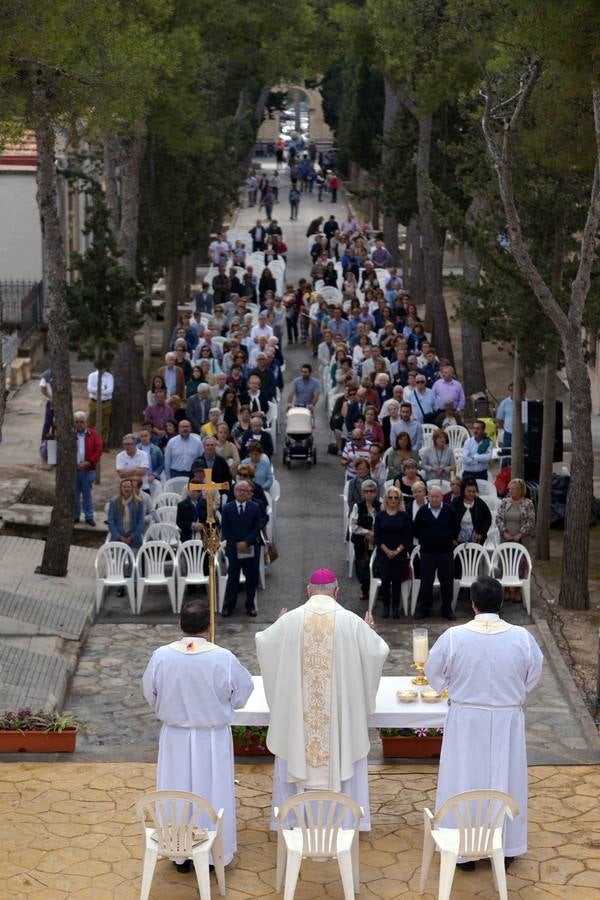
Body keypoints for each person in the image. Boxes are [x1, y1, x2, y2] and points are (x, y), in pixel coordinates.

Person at [255, 568, 388, 831]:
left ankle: (293, 821)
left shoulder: (291, 621)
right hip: (337, 725)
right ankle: (346, 822)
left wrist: (279, 626)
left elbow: (264, 643)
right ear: (337, 592)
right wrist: (369, 631)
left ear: (308, 590)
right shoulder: (351, 622)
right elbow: (378, 652)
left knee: (296, 747)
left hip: (299, 725)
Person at [425, 576, 543, 869]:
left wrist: (452, 687)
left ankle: (463, 849)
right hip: (507, 720)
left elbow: (434, 675)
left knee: (464, 778)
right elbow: (532, 677)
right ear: (501, 602)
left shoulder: (454, 637)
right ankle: (506, 846)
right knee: (506, 780)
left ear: (473, 604)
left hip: (466, 720)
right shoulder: (522, 637)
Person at [143, 602, 254, 870]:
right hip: (211, 740)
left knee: (177, 791)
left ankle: (179, 853)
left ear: (181, 625)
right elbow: (242, 694)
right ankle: (215, 854)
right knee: (212, 792)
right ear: (209, 627)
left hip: (175, 739)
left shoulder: (161, 656)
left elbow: (150, 693)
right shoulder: (223, 658)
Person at [413, 485, 459, 620]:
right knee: (426, 582)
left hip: (445, 552)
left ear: (442, 497)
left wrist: (448, 537)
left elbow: (456, 527)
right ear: (428, 497)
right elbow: (415, 529)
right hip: (427, 553)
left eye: (437, 496)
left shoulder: (449, 510)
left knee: (447, 582)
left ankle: (447, 608)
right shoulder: (422, 511)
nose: (434, 499)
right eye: (431, 496)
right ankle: (424, 608)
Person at [220, 481, 263, 617]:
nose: (242, 492)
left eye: (245, 490)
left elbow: (257, 528)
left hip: (250, 548)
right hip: (234, 549)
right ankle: (228, 606)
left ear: (249, 492)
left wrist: (247, 542)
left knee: (251, 578)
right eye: (239, 490)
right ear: (234, 491)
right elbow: (225, 529)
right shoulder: (227, 508)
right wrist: (237, 543)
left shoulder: (255, 507)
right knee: (233, 578)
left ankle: (250, 605)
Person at [374, 485, 412, 618]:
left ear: (400, 499)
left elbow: (408, 537)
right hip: (383, 553)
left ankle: (395, 607)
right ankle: (386, 607)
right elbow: (377, 537)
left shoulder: (404, 516)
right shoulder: (380, 516)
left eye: (396, 497)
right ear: (386, 499)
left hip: (399, 553)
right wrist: (387, 551)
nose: (393, 500)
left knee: (396, 580)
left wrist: (396, 551)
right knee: (385, 580)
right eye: (390, 497)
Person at [350, 479, 380, 601]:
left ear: (376, 492)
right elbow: (353, 526)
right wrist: (367, 533)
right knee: (362, 567)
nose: (369, 494)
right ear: (363, 493)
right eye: (366, 491)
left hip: (377, 542)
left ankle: (379, 590)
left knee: (377, 566)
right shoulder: (358, 506)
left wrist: (376, 535)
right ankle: (365, 589)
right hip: (361, 543)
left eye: (372, 491)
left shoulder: (381, 506)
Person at [73, 411, 103, 526]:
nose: (79, 424)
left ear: (86, 422)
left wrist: (89, 462)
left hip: (87, 469)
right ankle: (75, 516)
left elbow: (98, 449)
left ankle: (89, 517)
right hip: (74, 470)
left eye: (82, 422)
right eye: (77, 422)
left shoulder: (93, 434)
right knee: (75, 495)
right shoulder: (70, 434)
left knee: (87, 495)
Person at [496, 478, 536, 550]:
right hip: (505, 539)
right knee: (505, 560)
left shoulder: (528, 503)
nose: (510, 491)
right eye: (509, 489)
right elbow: (498, 518)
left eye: (513, 489)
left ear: (520, 490)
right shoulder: (505, 501)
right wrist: (504, 532)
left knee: (520, 560)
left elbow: (531, 521)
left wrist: (520, 534)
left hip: (522, 540)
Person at [107, 478, 145, 551]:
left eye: (128, 487)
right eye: (124, 487)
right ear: (120, 488)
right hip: (117, 539)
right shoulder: (114, 502)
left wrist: (132, 537)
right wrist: (120, 537)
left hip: (134, 540)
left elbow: (141, 522)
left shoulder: (139, 502)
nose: (126, 489)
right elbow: (111, 521)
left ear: (132, 488)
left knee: (133, 561)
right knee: (118, 561)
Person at [452, 477, 492, 545]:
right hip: (457, 539)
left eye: (474, 491)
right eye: (469, 491)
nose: (471, 494)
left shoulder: (480, 503)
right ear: (463, 490)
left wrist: (481, 533)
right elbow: (450, 520)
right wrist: (452, 537)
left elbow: (488, 518)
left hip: (476, 539)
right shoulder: (456, 502)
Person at [86, 368, 113, 443]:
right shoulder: (92, 375)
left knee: (105, 424)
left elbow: (110, 390)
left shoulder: (109, 376)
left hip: (106, 403)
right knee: (91, 422)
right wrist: (103, 388)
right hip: (94, 402)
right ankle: (89, 441)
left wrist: (97, 390)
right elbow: (90, 389)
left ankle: (102, 443)